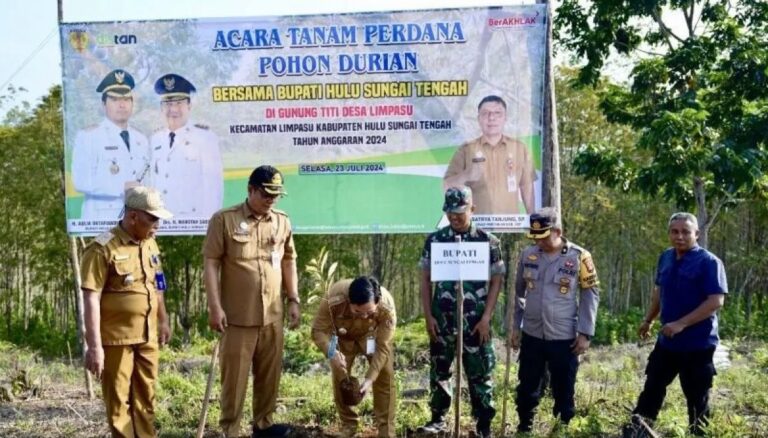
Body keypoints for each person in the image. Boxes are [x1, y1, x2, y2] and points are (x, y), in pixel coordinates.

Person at [203, 165, 301, 438]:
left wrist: (293, 299)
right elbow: (210, 263)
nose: (271, 199)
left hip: (272, 315)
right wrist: (214, 306)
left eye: (276, 195)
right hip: (237, 318)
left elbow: (289, 259)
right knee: (234, 381)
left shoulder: (282, 221)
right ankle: (231, 429)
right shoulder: (224, 220)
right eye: (266, 193)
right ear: (250, 190)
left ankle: (264, 425)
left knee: (269, 377)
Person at [622, 212, 727, 437]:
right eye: (674, 231)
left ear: (696, 234)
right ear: (669, 233)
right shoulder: (666, 257)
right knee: (652, 387)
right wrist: (648, 320)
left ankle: (698, 434)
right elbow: (659, 293)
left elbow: (716, 301)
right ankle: (638, 430)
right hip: (667, 342)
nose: (679, 236)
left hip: (697, 344)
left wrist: (681, 323)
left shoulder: (709, 262)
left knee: (697, 397)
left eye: (685, 232)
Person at [80, 186, 173, 437]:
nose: (158, 224)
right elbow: (90, 297)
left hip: (147, 336)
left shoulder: (150, 243)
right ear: (133, 217)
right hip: (116, 341)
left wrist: (163, 319)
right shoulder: (101, 248)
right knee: (119, 403)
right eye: (152, 218)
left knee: (146, 399)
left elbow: (158, 284)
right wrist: (94, 346)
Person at [418, 186, 505, 438]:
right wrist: (428, 316)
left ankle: (483, 425)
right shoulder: (435, 240)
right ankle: (438, 419)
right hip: (442, 319)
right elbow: (424, 278)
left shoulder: (488, 241)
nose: (455, 218)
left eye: (460, 213)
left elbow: (497, 280)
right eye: (450, 213)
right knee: (440, 369)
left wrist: (487, 317)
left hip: (476, 320)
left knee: (480, 372)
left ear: (472, 209)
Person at [507, 207, 599, 433]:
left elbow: (591, 293)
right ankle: (524, 428)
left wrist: (585, 332)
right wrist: (515, 327)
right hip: (532, 332)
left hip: (564, 335)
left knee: (563, 387)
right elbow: (518, 293)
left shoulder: (580, 256)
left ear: (558, 231)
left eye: (544, 236)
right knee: (527, 385)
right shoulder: (528, 254)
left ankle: (562, 429)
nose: (539, 242)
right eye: (535, 237)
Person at [311, 276, 397, 438]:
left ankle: (386, 431)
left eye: (369, 312)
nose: (363, 316)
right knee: (341, 376)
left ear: (377, 303)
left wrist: (370, 378)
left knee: (385, 374)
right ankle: (348, 424)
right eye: (357, 311)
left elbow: (383, 347)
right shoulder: (334, 298)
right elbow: (318, 330)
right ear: (349, 301)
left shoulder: (387, 307)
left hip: (372, 338)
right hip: (344, 337)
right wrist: (331, 352)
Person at [72, 69, 151, 219]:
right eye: (115, 100)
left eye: (126, 99)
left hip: (136, 220)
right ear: (103, 105)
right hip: (102, 220)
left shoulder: (141, 139)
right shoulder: (89, 137)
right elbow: (81, 181)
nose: (122, 105)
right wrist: (122, 188)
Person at [443, 95, 537, 215]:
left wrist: (532, 217)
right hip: (476, 226)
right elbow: (447, 185)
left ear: (505, 118)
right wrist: (467, 175)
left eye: (497, 113)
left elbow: (526, 186)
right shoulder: (465, 150)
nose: (491, 118)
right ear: (479, 119)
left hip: (510, 226)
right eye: (485, 113)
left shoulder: (519, 149)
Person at [150, 73, 223, 219]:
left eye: (179, 103)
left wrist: (207, 226)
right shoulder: (154, 140)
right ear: (161, 107)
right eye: (168, 104)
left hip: (191, 222)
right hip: (160, 222)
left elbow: (213, 189)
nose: (173, 109)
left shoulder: (205, 138)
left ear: (189, 105)